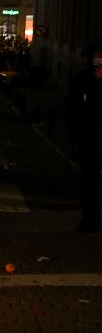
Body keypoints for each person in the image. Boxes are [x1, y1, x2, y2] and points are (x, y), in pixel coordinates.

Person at [67, 38, 102, 233]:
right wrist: (74, 139)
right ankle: (90, 220)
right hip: (88, 138)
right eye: (97, 58)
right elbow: (74, 107)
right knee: (89, 182)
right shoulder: (83, 77)